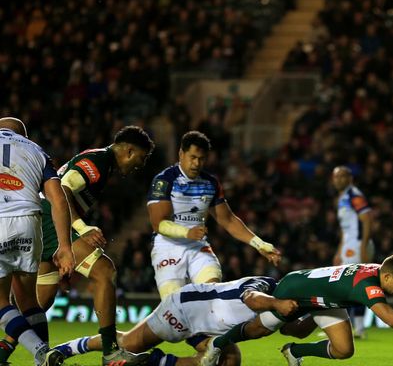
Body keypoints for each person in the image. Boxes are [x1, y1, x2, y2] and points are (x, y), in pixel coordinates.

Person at [35, 125, 155, 365]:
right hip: (50, 219)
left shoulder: (103, 165)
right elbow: (62, 189)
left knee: (39, 303)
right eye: (141, 158)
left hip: (45, 222)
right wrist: (82, 228)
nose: (139, 166)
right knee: (104, 271)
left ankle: (10, 351)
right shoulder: (99, 160)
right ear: (129, 151)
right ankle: (111, 352)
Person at [199, 254, 393, 366]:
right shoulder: (367, 286)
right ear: (389, 276)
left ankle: (295, 352)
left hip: (326, 299)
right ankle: (217, 344)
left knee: (343, 350)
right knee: (259, 331)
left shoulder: (379, 271)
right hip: (295, 289)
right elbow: (390, 318)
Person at [147, 131, 280, 299]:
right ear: (181, 154)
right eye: (192, 157)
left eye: (201, 159)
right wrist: (187, 232)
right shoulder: (164, 180)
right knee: (174, 306)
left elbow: (228, 220)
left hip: (197, 246)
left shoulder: (210, 183)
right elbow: (158, 224)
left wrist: (259, 244)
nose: (196, 163)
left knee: (211, 296)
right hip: (168, 247)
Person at [53, 276, 299, 366]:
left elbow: (295, 331)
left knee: (229, 359)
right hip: (183, 310)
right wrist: (277, 304)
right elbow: (251, 299)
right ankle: (65, 350)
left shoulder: (284, 306)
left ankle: (153, 362)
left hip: (205, 325)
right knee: (126, 346)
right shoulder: (264, 286)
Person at [0, 117, 75, 366]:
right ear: (25, 135)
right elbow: (58, 200)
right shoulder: (36, 150)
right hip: (30, 221)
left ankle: (41, 352)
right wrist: (65, 247)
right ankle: (42, 361)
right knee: (28, 299)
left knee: (1, 301)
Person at [330, 166, 374, 338]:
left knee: (352, 284)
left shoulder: (354, 195)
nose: (338, 180)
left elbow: (367, 219)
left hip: (356, 245)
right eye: (335, 177)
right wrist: (338, 251)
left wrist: (363, 245)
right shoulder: (341, 198)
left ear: (350, 178)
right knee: (344, 286)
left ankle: (358, 329)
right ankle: (353, 329)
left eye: (342, 176)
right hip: (348, 246)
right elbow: (344, 229)